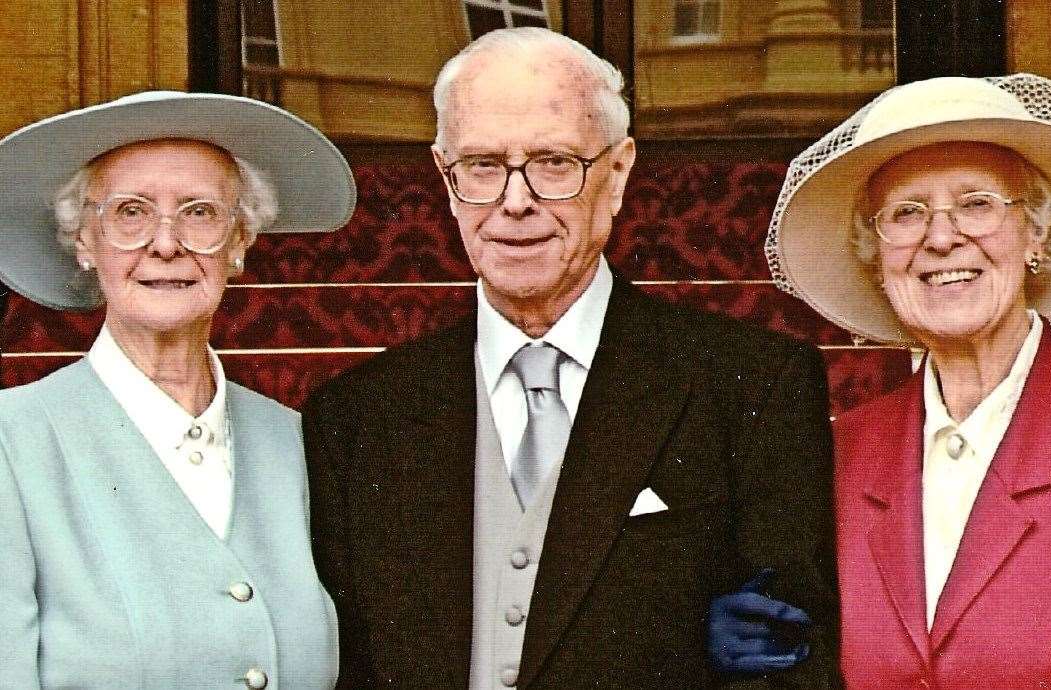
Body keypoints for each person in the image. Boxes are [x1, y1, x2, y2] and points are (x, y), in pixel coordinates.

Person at [303, 26, 840, 689]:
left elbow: (787, 662)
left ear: (616, 175)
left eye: (554, 163)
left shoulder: (753, 384)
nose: (515, 200)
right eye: (482, 166)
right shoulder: (355, 416)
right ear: (445, 179)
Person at [711, 74, 1051, 687]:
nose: (942, 237)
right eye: (907, 213)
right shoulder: (839, 450)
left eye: (976, 203)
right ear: (876, 257)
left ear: (1035, 233)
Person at [0, 91, 355, 688]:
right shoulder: (13, 443)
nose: (166, 245)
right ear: (85, 241)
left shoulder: (296, 441)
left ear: (240, 241)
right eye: (131, 213)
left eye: (199, 213)